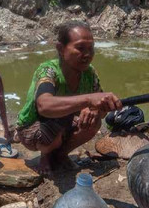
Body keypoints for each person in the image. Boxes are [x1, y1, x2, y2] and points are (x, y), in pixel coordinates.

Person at [16, 21, 122, 176]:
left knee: (94, 122)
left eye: (90, 48)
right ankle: (46, 155)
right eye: (80, 48)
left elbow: (101, 108)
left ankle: (59, 155)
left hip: (64, 122)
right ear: (60, 48)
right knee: (53, 128)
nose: (87, 54)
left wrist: (94, 110)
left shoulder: (89, 73)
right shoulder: (48, 70)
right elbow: (44, 106)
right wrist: (88, 100)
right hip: (33, 126)